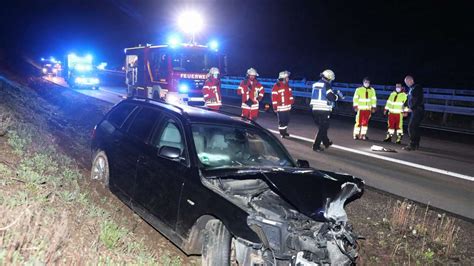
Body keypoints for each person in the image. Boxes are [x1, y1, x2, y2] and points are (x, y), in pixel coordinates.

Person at [310, 69, 341, 152]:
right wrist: (337, 96)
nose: (331, 80)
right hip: (323, 109)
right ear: (328, 77)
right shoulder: (327, 85)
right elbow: (330, 97)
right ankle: (316, 146)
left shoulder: (315, 84)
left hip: (314, 109)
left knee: (322, 127)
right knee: (323, 128)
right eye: (331, 79)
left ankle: (326, 142)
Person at [403, 75, 425, 151]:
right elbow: (408, 99)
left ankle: (412, 144)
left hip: (418, 110)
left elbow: (417, 99)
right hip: (415, 110)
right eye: (405, 83)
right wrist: (404, 106)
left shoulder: (416, 88)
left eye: (407, 82)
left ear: (411, 80)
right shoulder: (411, 89)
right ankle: (416, 144)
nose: (406, 84)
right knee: (415, 127)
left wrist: (411, 108)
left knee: (411, 127)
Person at [272, 71, 294, 138]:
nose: (288, 79)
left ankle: (285, 131)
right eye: (287, 77)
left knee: (287, 120)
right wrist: (275, 107)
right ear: (283, 78)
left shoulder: (287, 85)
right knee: (282, 122)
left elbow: (290, 95)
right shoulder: (276, 86)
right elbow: (274, 98)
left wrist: (292, 101)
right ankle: (282, 133)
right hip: (280, 108)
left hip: (287, 107)